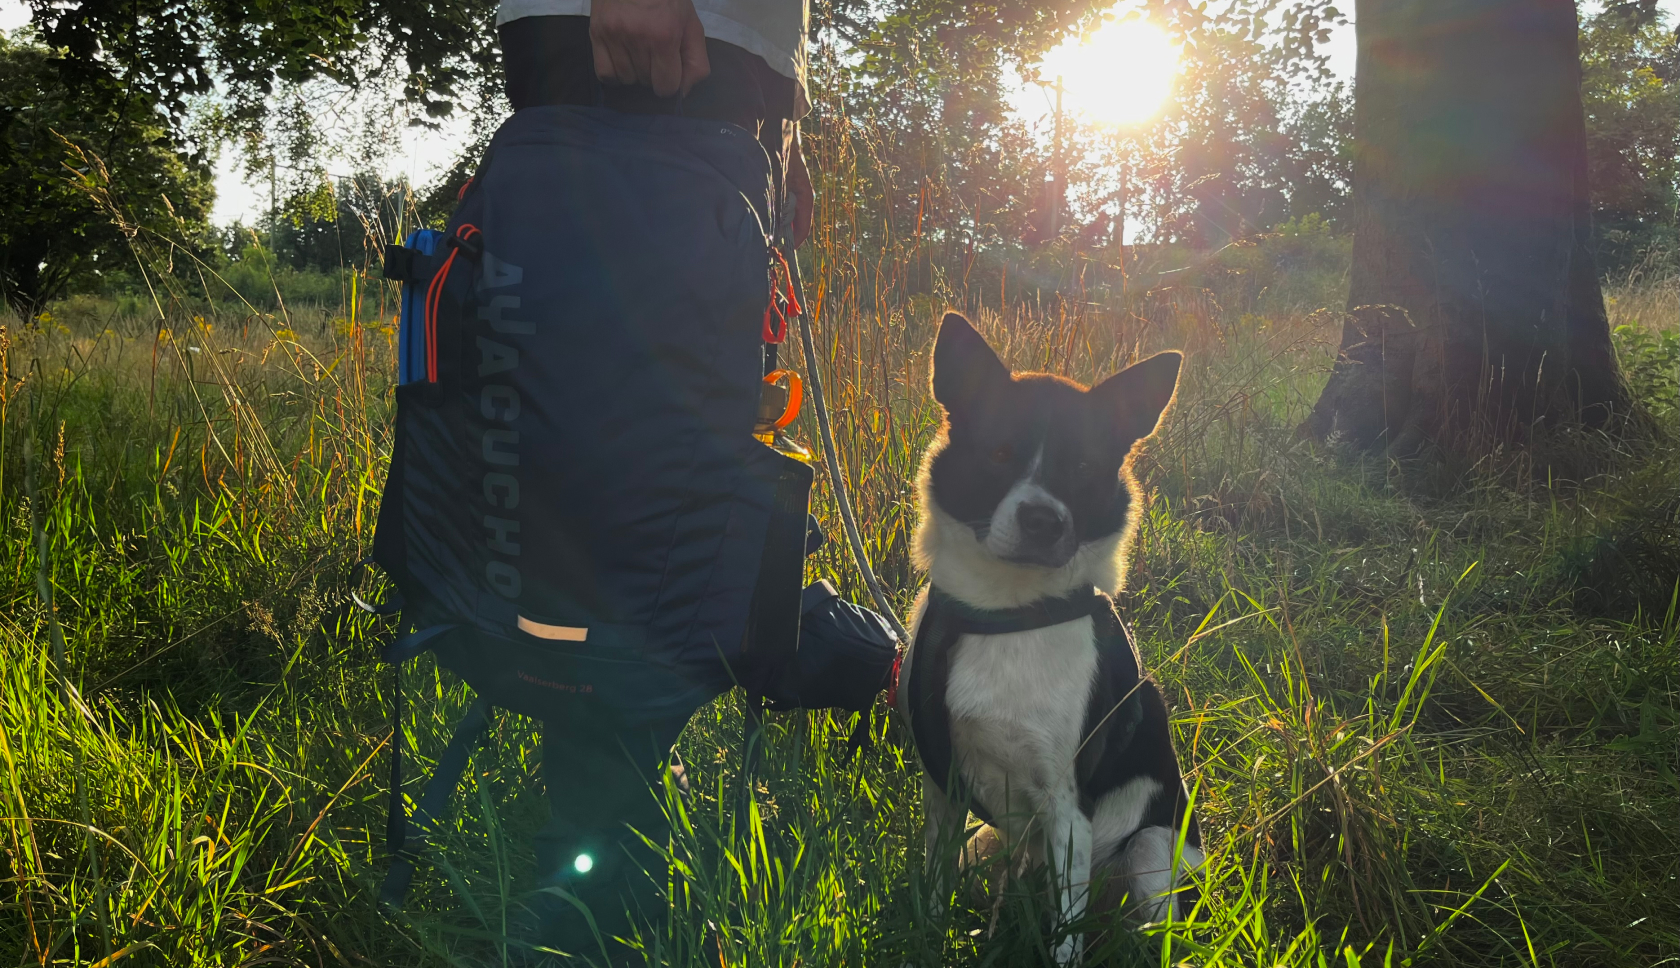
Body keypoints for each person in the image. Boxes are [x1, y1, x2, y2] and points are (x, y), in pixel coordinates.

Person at [491, 0, 813, 959]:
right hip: (655, 24)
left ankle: (601, 816)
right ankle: (592, 868)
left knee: (645, 457)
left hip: (703, 38)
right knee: (611, 460)